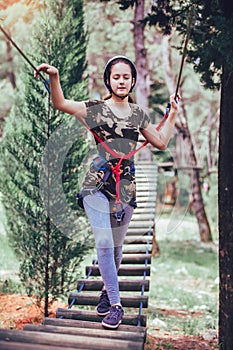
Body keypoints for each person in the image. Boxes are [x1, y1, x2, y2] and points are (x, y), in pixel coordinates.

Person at [34, 55, 180, 329]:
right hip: (97, 184)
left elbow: (160, 142)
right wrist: (54, 76)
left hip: (125, 187)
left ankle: (105, 290)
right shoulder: (96, 109)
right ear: (109, 80)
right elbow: (60, 103)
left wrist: (172, 114)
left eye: (126, 77)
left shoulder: (139, 115)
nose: (122, 81)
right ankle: (116, 305)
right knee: (103, 241)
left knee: (115, 247)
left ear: (133, 81)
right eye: (116, 76)